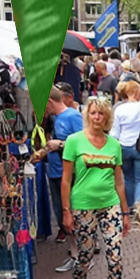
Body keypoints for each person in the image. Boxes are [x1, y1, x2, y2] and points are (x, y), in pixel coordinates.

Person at [62, 96, 130, 279]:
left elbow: (119, 181)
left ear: (107, 117)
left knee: (115, 252)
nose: (97, 117)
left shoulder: (114, 145)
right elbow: (65, 179)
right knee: (86, 253)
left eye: (101, 113)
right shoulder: (74, 141)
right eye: (93, 113)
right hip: (83, 205)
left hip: (110, 204)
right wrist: (66, 211)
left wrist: (125, 211)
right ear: (87, 115)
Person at [43, 86, 83, 269]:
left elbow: (85, 141)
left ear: (50, 102)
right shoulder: (55, 119)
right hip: (55, 172)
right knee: (61, 214)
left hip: (67, 174)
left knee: (70, 214)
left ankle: (80, 255)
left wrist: (59, 144)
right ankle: (75, 253)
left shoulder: (73, 116)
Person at [110, 80, 140, 209]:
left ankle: (128, 205)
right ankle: (138, 205)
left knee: (128, 178)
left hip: (124, 146)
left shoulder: (119, 109)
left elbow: (115, 132)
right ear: (136, 92)